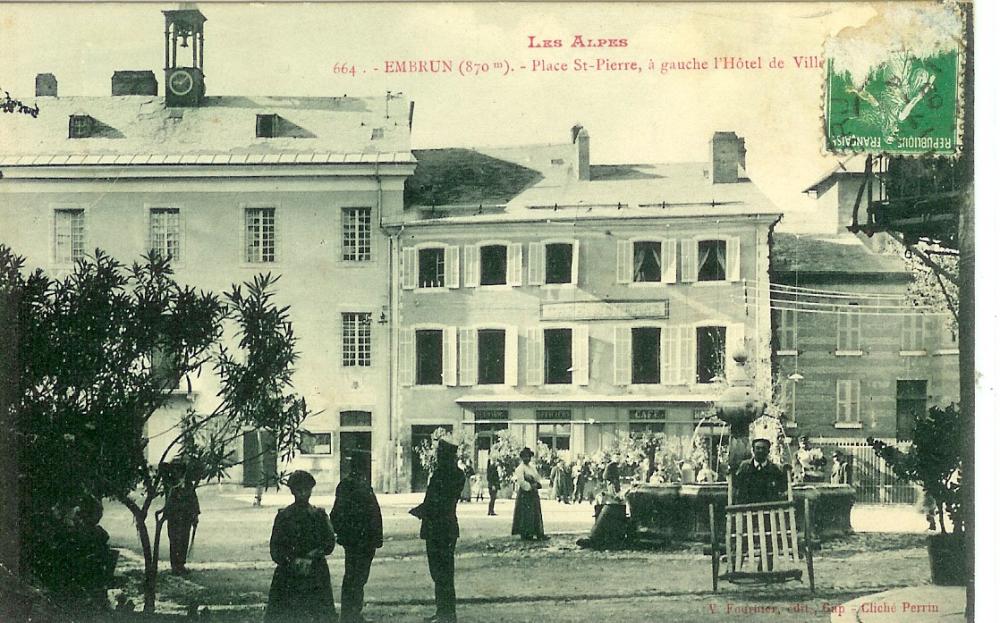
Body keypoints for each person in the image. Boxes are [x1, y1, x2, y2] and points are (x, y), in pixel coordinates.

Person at [265, 470, 337, 623]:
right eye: (299, 489)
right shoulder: (284, 517)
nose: (303, 493)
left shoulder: (319, 515)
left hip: (314, 572)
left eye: (306, 489)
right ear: (293, 491)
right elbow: (275, 548)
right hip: (291, 574)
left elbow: (329, 544)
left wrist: (312, 556)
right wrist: (292, 560)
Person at [409, 439, 465, 623]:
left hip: (436, 529)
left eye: (440, 454)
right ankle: (445, 612)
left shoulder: (441, 475)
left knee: (440, 573)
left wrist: (419, 511)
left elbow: (435, 502)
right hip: (449, 528)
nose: (438, 457)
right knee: (445, 573)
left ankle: (445, 614)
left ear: (445, 456)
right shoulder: (458, 474)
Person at [330, 454, 384, 623]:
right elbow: (337, 514)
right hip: (358, 541)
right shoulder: (350, 485)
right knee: (354, 578)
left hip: (362, 541)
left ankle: (354, 613)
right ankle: (349, 615)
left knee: (358, 578)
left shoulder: (356, 484)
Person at [162, 461, 200, 575]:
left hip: (186, 517)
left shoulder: (188, 484)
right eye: (174, 470)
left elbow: (194, 500)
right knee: (174, 541)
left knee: (184, 540)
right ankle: (175, 566)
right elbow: (162, 468)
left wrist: (195, 515)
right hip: (174, 517)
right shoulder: (170, 484)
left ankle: (181, 565)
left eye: (178, 470)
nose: (176, 473)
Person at [732, 438, 787, 504]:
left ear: (768, 451)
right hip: (747, 508)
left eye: (764, 448)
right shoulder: (745, 467)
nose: (760, 451)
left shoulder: (774, 469)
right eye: (758, 448)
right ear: (753, 450)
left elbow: (782, 487)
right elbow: (736, 484)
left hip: (768, 508)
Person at [511, 447, 546, 540]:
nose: (527, 459)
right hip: (525, 494)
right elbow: (521, 482)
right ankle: (526, 533)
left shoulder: (532, 467)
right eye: (525, 457)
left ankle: (537, 532)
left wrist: (537, 484)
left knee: (535, 512)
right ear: (522, 458)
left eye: (529, 457)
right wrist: (530, 487)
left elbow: (537, 477)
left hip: (533, 494)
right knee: (526, 513)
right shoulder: (520, 468)